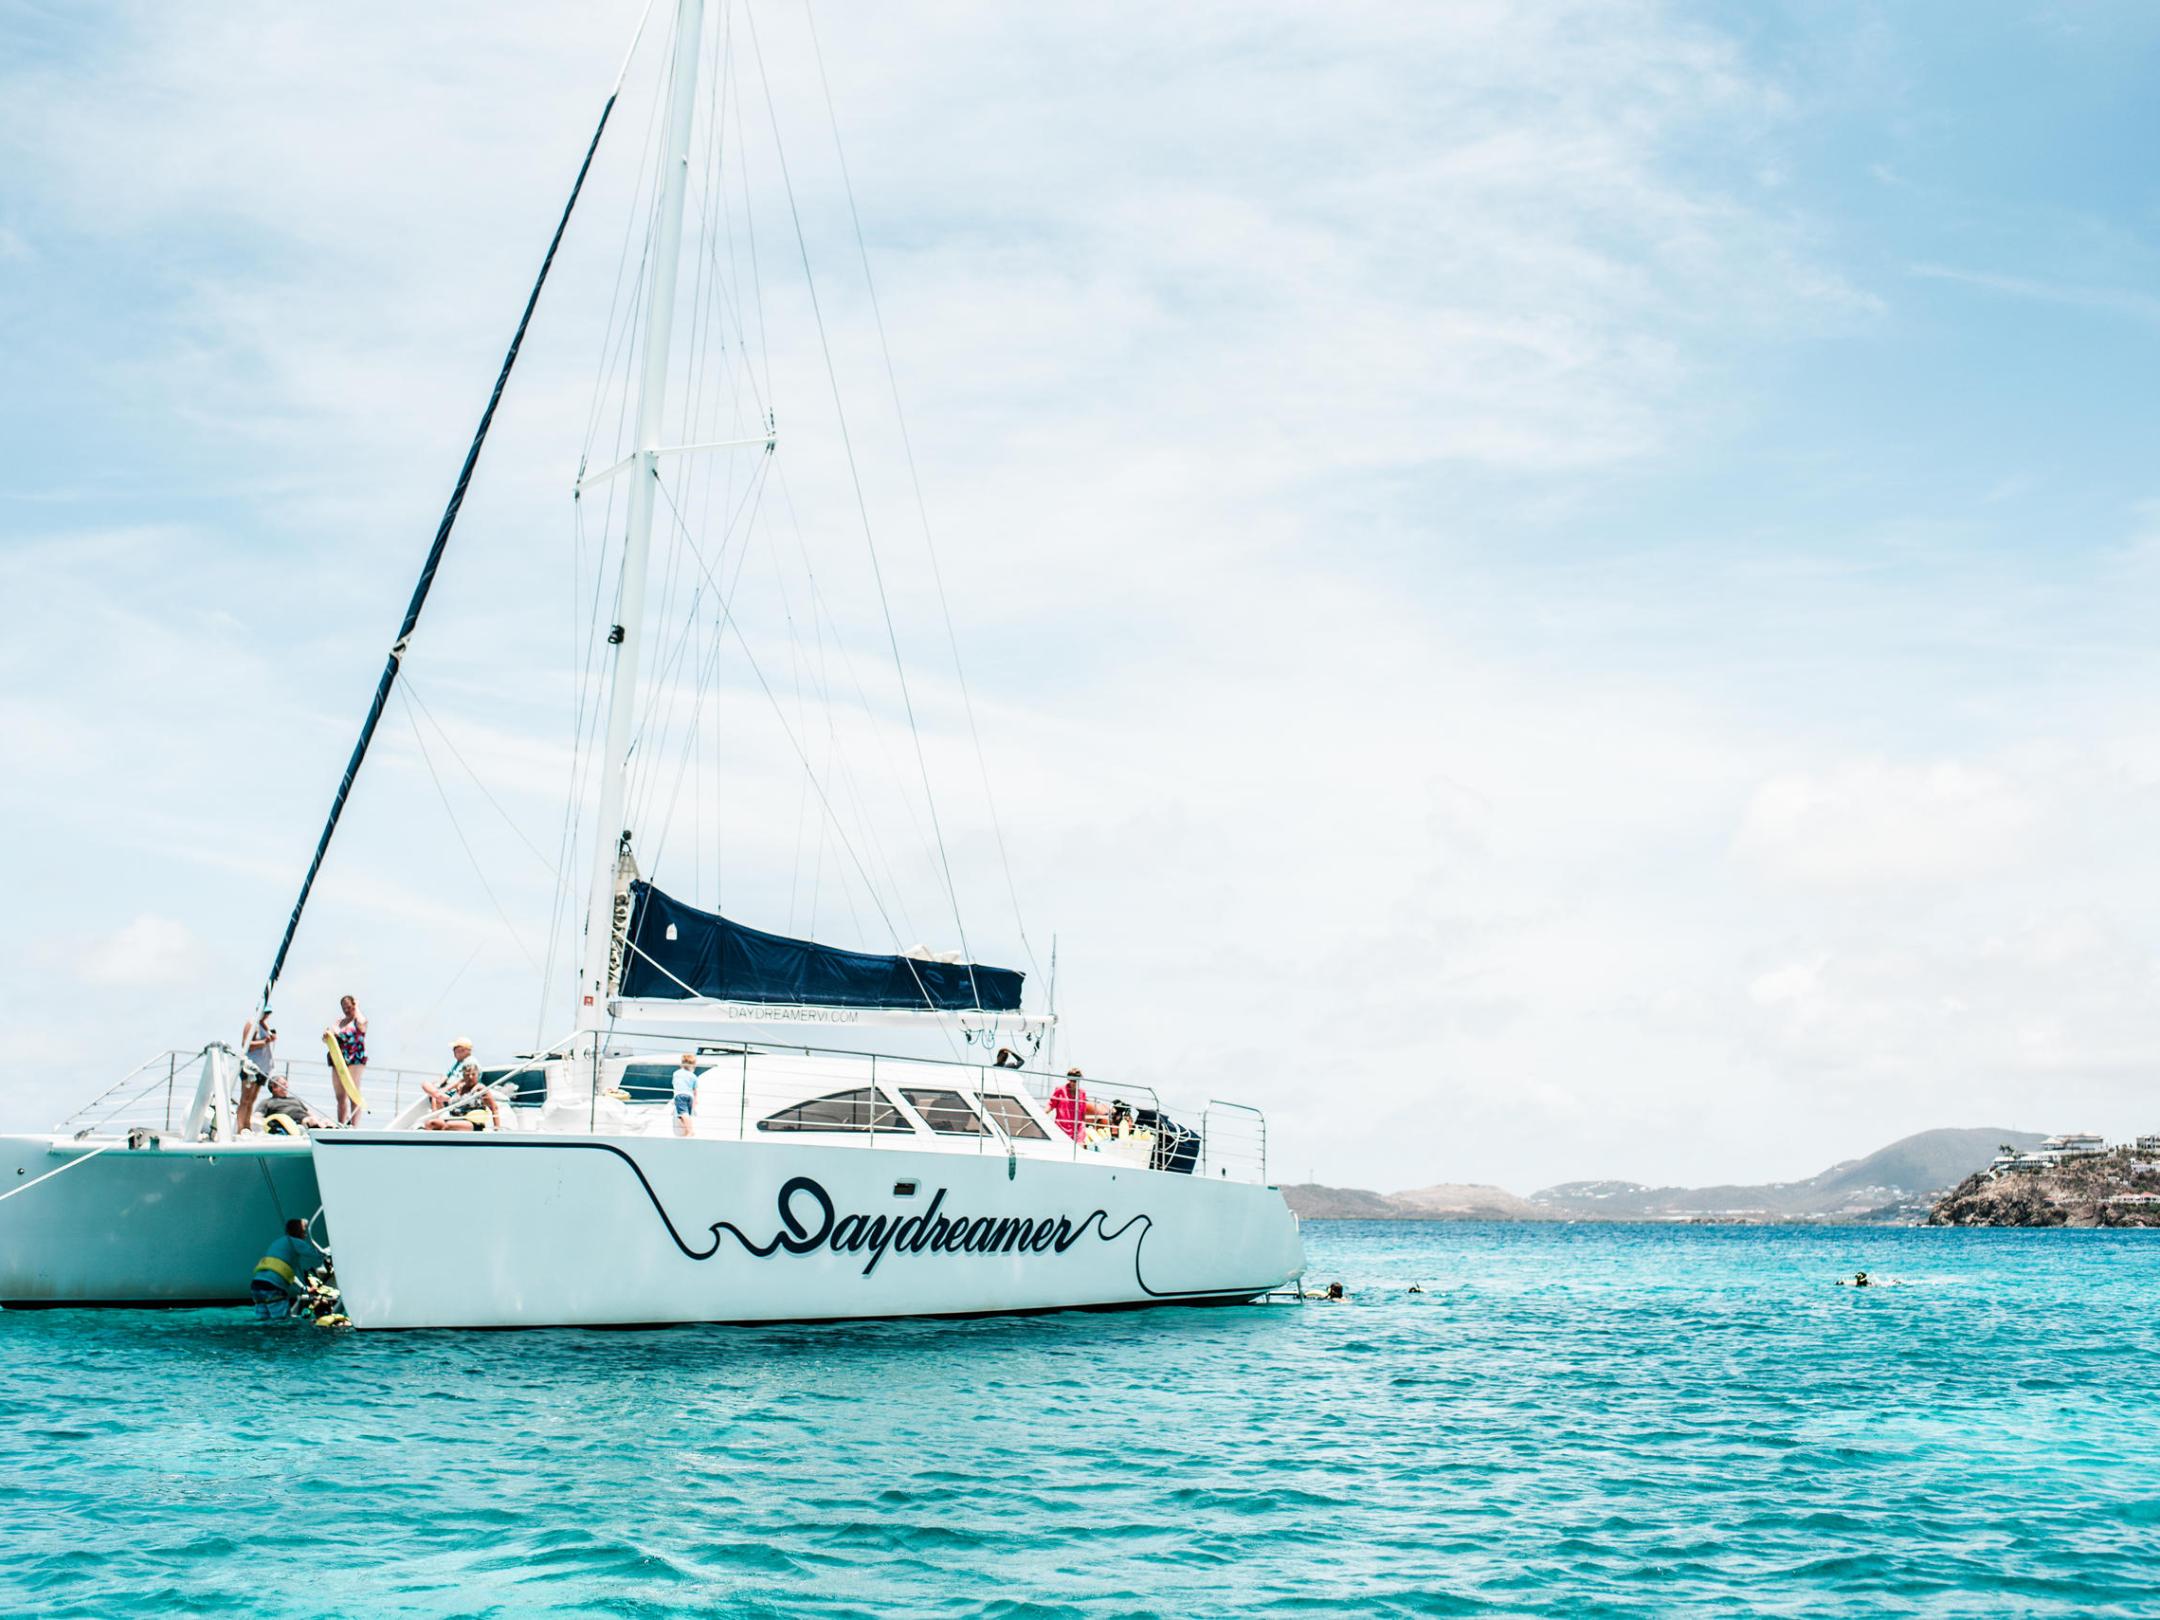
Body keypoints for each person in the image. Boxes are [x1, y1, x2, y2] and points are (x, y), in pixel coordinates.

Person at [251, 1217, 327, 1320]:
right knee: (281, 1321)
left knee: (263, 1321)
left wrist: (304, 1289)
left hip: (257, 1286)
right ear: (299, 1231)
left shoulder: (278, 1243)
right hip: (273, 1288)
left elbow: (287, 1274)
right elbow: (319, 1255)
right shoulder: (295, 1242)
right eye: (304, 1232)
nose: (306, 1235)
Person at [422, 1062, 501, 1131]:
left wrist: (496, 1128)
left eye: (473, 1074)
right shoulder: (459, 1087)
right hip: (452, 1118)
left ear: (477, 1075)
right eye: (467, 1075)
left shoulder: (480, 1089)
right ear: (463, 1075)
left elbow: (494, 1108)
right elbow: (441, 1094)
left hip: (472, 1123)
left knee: (449, 1125)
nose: (470, 1077)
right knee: (430, 1123)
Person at [236, 1009, 277, 1134]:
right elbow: (246, 1044)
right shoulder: (252, 1023)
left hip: (262, 1068)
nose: (266, 1015)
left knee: (252, 1100)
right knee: (245, 1099)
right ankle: (240, 1129)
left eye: (268, 1013)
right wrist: (264, 1042)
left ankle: (247, 1127)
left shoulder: (264, 1024)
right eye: (265, 1012)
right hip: (251, 1067)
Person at [329, 995, 368, 1126]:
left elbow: (362, 1025)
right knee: (340, 1095)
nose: (347, 1010)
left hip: (355, 1058)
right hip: (339, 1059)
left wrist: (356, 1008)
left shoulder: (359, 1020)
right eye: (344, 1008)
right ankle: (341, 1123)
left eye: (349, 1007)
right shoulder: (339, 1022)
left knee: (353, 1092)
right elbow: (329, 1034)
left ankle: (354, 1125)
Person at [256, 1074, 328, 1134]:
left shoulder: (294, 1099)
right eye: (283, 1084)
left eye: (286, 1084)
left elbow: (309, 1112)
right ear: (274, 1087)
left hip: (307, 1119)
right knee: (312, 1121)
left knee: (326, 1121)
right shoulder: (267, 1102)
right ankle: (324, 1132)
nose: (286, 1087)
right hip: (291, 1123)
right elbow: (257, 1116)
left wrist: (320, 1120)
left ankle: (328, 1132)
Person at [672, 1052, 699, 1137]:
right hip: (690, 1096)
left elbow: (675, 1086)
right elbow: (695, 1091)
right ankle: (687, 1131)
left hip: (680, 1095)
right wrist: (695, 1101)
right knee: (684, 1115)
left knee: (683, 1114)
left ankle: (690, 1131)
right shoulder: (693, 1076)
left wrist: (674, 1099)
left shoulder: (676, 1073)